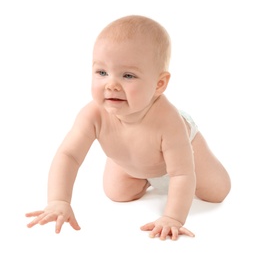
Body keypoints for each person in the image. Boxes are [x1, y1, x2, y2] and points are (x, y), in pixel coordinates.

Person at [25, 15, 231, 240]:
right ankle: (141, 174)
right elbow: (68, 155)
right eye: (102, 72)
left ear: (159, 84)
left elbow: (181, 173)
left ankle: (166, 173)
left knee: (217, 192)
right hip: (133, 157)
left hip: (184, 151)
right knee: (117, 193)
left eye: (128, 75)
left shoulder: (168, 121)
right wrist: (58, 201)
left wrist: (172, 217)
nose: (111, 84)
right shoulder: (93, 114)